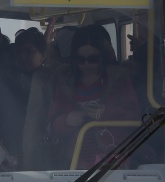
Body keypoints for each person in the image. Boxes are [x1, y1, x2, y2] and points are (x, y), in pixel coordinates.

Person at [42, 25, 142, 169]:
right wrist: (68, 119)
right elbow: (52, 125)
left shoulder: (118, 79)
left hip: (115, 159)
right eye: (80, 59)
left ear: (102, 57)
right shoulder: (65, 82)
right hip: (74, 161)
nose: (86, 64)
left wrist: (106, 112)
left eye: (93, 58)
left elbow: (135, 117)